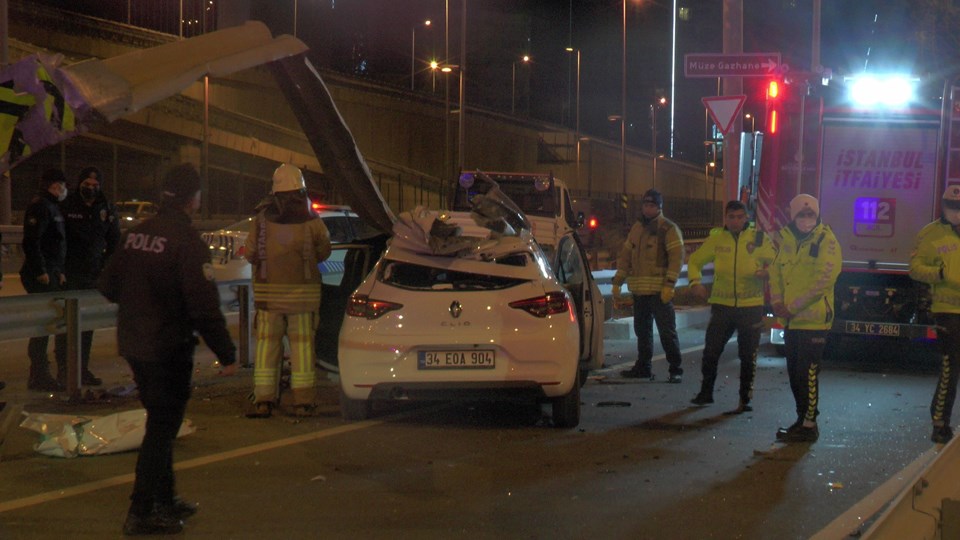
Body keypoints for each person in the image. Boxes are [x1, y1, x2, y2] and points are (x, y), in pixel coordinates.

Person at [98, 163, 238, 535]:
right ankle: (141, 511)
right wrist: (226, 352)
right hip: (167, 347)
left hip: (135, 344)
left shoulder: (135, 235)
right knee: (162, 428)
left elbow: (108, 285)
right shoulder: (187, 243)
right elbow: (204, 307)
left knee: (162, 422)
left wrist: (141, 299)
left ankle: (164, 498)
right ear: (194, 200)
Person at [244, 163, 331, 418]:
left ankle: (263, 400)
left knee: (266, 347)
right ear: (301, 191)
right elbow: (324, 251)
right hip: (303, 298)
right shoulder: (313, 221)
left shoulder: (261, 219)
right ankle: (303, 401)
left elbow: (250, 253)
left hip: (267, 298)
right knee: (302, 349)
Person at [687, 201, 777, 412]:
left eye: (739, 217)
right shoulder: (717, 239)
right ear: (725, 218)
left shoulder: (759, 238)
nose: (735, 221)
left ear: (746, 218)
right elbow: (695, 261)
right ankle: (706, 393)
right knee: (711, 352)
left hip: (750, 307)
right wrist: (694, 282)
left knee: (748, 355)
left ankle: (745, 399)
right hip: (722, 306)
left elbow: (779, 262)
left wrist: (767, 272)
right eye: (731, 217)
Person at [768, 194, 841, 443]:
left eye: (810, 215)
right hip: (791, 321)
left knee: (807, 372)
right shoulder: (785, 239)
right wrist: (777, 302)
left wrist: (793, 306)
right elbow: (775, 272)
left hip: (814, 320)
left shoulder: (826, 240)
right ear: (793, 216)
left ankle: (809, 425)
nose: (806, 219)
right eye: (802, 215)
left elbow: (823, 280)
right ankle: (801, 419)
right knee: (794, 374)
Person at [54, 166, 120, 387]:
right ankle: (65, 370)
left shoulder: (106, 208)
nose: (91, 189)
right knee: (67, 325)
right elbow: (56, 239)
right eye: (87, 185)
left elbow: (114, 241)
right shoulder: (67, 205)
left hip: (94, 274)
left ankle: (81, 369)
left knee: (87, 325)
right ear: (79, 184)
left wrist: (107, 267)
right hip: (70, 273)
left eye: (94, 185)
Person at [612, 188, 685, 383]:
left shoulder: (668, 229)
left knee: (666, 332)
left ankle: (675, 369)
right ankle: (643, 367)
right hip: (640, 291)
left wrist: (670, 285)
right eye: (645, 205)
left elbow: (677, 258)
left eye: (652, 205)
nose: (648, 209)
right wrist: (618, 281)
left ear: (659, 207)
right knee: (642, 332)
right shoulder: (637, 228)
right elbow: (626, 256)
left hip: (660, 291)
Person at [910, 185, 960, 444]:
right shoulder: (930, 235)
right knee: (950, 368)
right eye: (952, 208)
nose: (956, 214)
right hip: (948, 312)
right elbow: (915, 268)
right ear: (943, 206)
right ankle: (940, 422)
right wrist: (938, 275)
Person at [20, 168, 69, 391]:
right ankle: (38, 374)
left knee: (47, 323)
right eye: (60, 185)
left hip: (51, 271)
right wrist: (41, 270)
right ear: (51, 185)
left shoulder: (52, 207)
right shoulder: (41, 206)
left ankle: (40, 373)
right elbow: (32, 241)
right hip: (40, 275)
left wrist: (57, 269)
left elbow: (54, 244)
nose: (63, 190)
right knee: (42, 324)